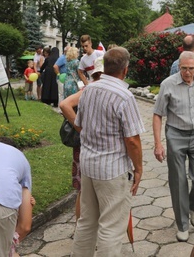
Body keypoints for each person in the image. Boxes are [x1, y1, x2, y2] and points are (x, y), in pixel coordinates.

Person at [67, 47, 144, 257]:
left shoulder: (89, 89)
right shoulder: (124, 96)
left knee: (86, 222)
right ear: (125, 70)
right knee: (111, 227)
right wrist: (138, 168)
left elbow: (80, 123)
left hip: (89, 165)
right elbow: (132, 140)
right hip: (113, 169)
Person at [153, 51, 194, 242]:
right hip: (175, 134)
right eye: (184, 69)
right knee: (178, 180)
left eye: (191, 69)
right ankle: (182, 224)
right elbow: (157, 114)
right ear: (178, 67)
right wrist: (158, 143)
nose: (187, 73)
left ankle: (193, 207)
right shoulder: (168, 84)